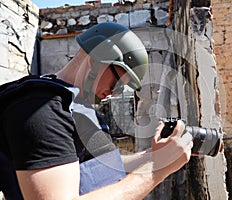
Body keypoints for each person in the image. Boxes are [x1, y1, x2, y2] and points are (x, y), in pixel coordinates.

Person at [0, 22, 193, 199]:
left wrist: (157, 155)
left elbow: (101, 168)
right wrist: (155, 170)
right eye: (117, 83)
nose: (115, 94)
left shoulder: (75, 106)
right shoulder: (41, 110)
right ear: (99, 57)